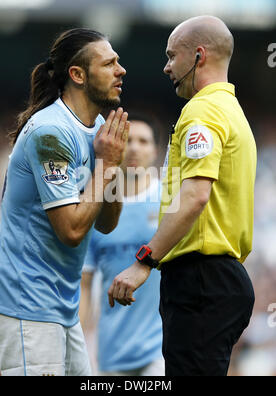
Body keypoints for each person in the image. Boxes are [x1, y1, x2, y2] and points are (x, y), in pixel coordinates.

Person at [108, 15, 257, 376]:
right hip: (219, 280)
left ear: (199, 56)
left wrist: (144, 261)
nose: (166, 67)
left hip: (200, 281)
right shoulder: (232, 112)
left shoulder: (202, 111)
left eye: (172, 56)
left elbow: (194, 196)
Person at [0, 28, 129, 376]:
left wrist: (113, 166)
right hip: (26, 304)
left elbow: (107, 223)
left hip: (61, 307)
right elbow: (72, 230)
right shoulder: (50, 133)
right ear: (77, 75)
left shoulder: (96, 130)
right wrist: (107, 165)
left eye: (119, 62)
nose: (121, 70)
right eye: (109, 63)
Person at [80, 115, 164, 376]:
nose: (135, 148)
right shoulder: (96, 209)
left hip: (160, 349)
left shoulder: (170, 205)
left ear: (155, 150)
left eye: (143, 141)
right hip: (109, 352)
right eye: (128, 141)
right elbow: (85, 285)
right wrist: (81, 346)